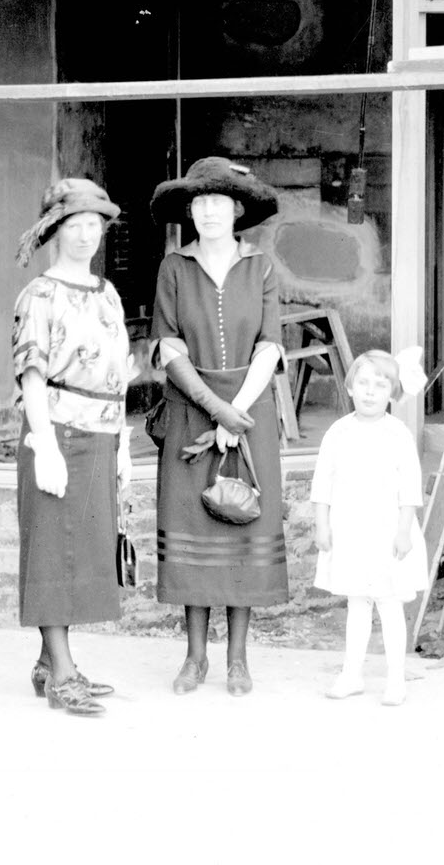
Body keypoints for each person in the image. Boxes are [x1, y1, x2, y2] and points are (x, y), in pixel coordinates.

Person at [149, 155, 286, 696]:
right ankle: (194, 658)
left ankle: (238, 661)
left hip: (250, 412)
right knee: (194, 534)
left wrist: (239, 413)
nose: (207, 212)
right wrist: (215, 410)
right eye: (198, 202)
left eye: (218, 202)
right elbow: (169, 346)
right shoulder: (174, 268)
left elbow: (270, 345)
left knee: (244, 532)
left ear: (237, 210)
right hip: (191, 411)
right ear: (190, 211)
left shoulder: (262, 266)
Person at [12, 177, 131, 717]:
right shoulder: (39, 293)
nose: (86, 235)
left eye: (94, 225)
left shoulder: (107, 293)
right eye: (75, 225)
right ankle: (62, 675)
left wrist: (123, 443)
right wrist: (45, 445)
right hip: (56, 432)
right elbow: (32, 374)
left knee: (79, 550)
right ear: (55, 231)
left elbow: (118, 375)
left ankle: (49, 663)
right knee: (53, 552)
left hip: (101, 434)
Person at [311, 348, 428, 706]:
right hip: (350, 530)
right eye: (363, 383)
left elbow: (410, 487)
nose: (370, 391)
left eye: (380, 385)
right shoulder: (338, 432)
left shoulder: (397, 434)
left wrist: (405, 530)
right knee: (357, 603)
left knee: (389, 604)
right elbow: (323, 482)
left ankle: (395, 678)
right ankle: (352, 674)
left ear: (392, 393)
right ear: (349, 388)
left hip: (387, 531)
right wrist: (321, 525)